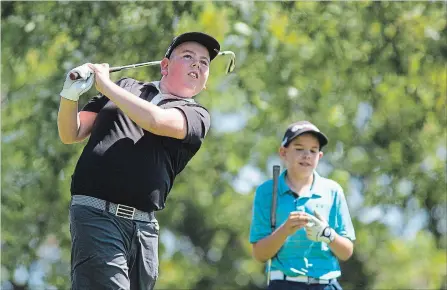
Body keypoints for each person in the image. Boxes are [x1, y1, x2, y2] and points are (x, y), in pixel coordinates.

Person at [57, 32, 220, 290]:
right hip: (97, 213)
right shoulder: (124, 87)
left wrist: (105, 85)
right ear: (164, 65)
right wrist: (69, 94)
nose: (197, 64)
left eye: (204, 62)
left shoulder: (197, 115)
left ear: (206, 80)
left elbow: (156, 121)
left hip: (144, 228)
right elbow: (71, 133)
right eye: (188, 57)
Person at [249, 121, 356, 290]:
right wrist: (284, 230)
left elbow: (346, 252)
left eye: (313, 150)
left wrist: (327, 234)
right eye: (299, 149)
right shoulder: (267, 192)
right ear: (283, 152)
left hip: (326, 284)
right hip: (283, 284)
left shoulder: (332, 191)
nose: (306, 155)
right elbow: (260, 254)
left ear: (319, 156)